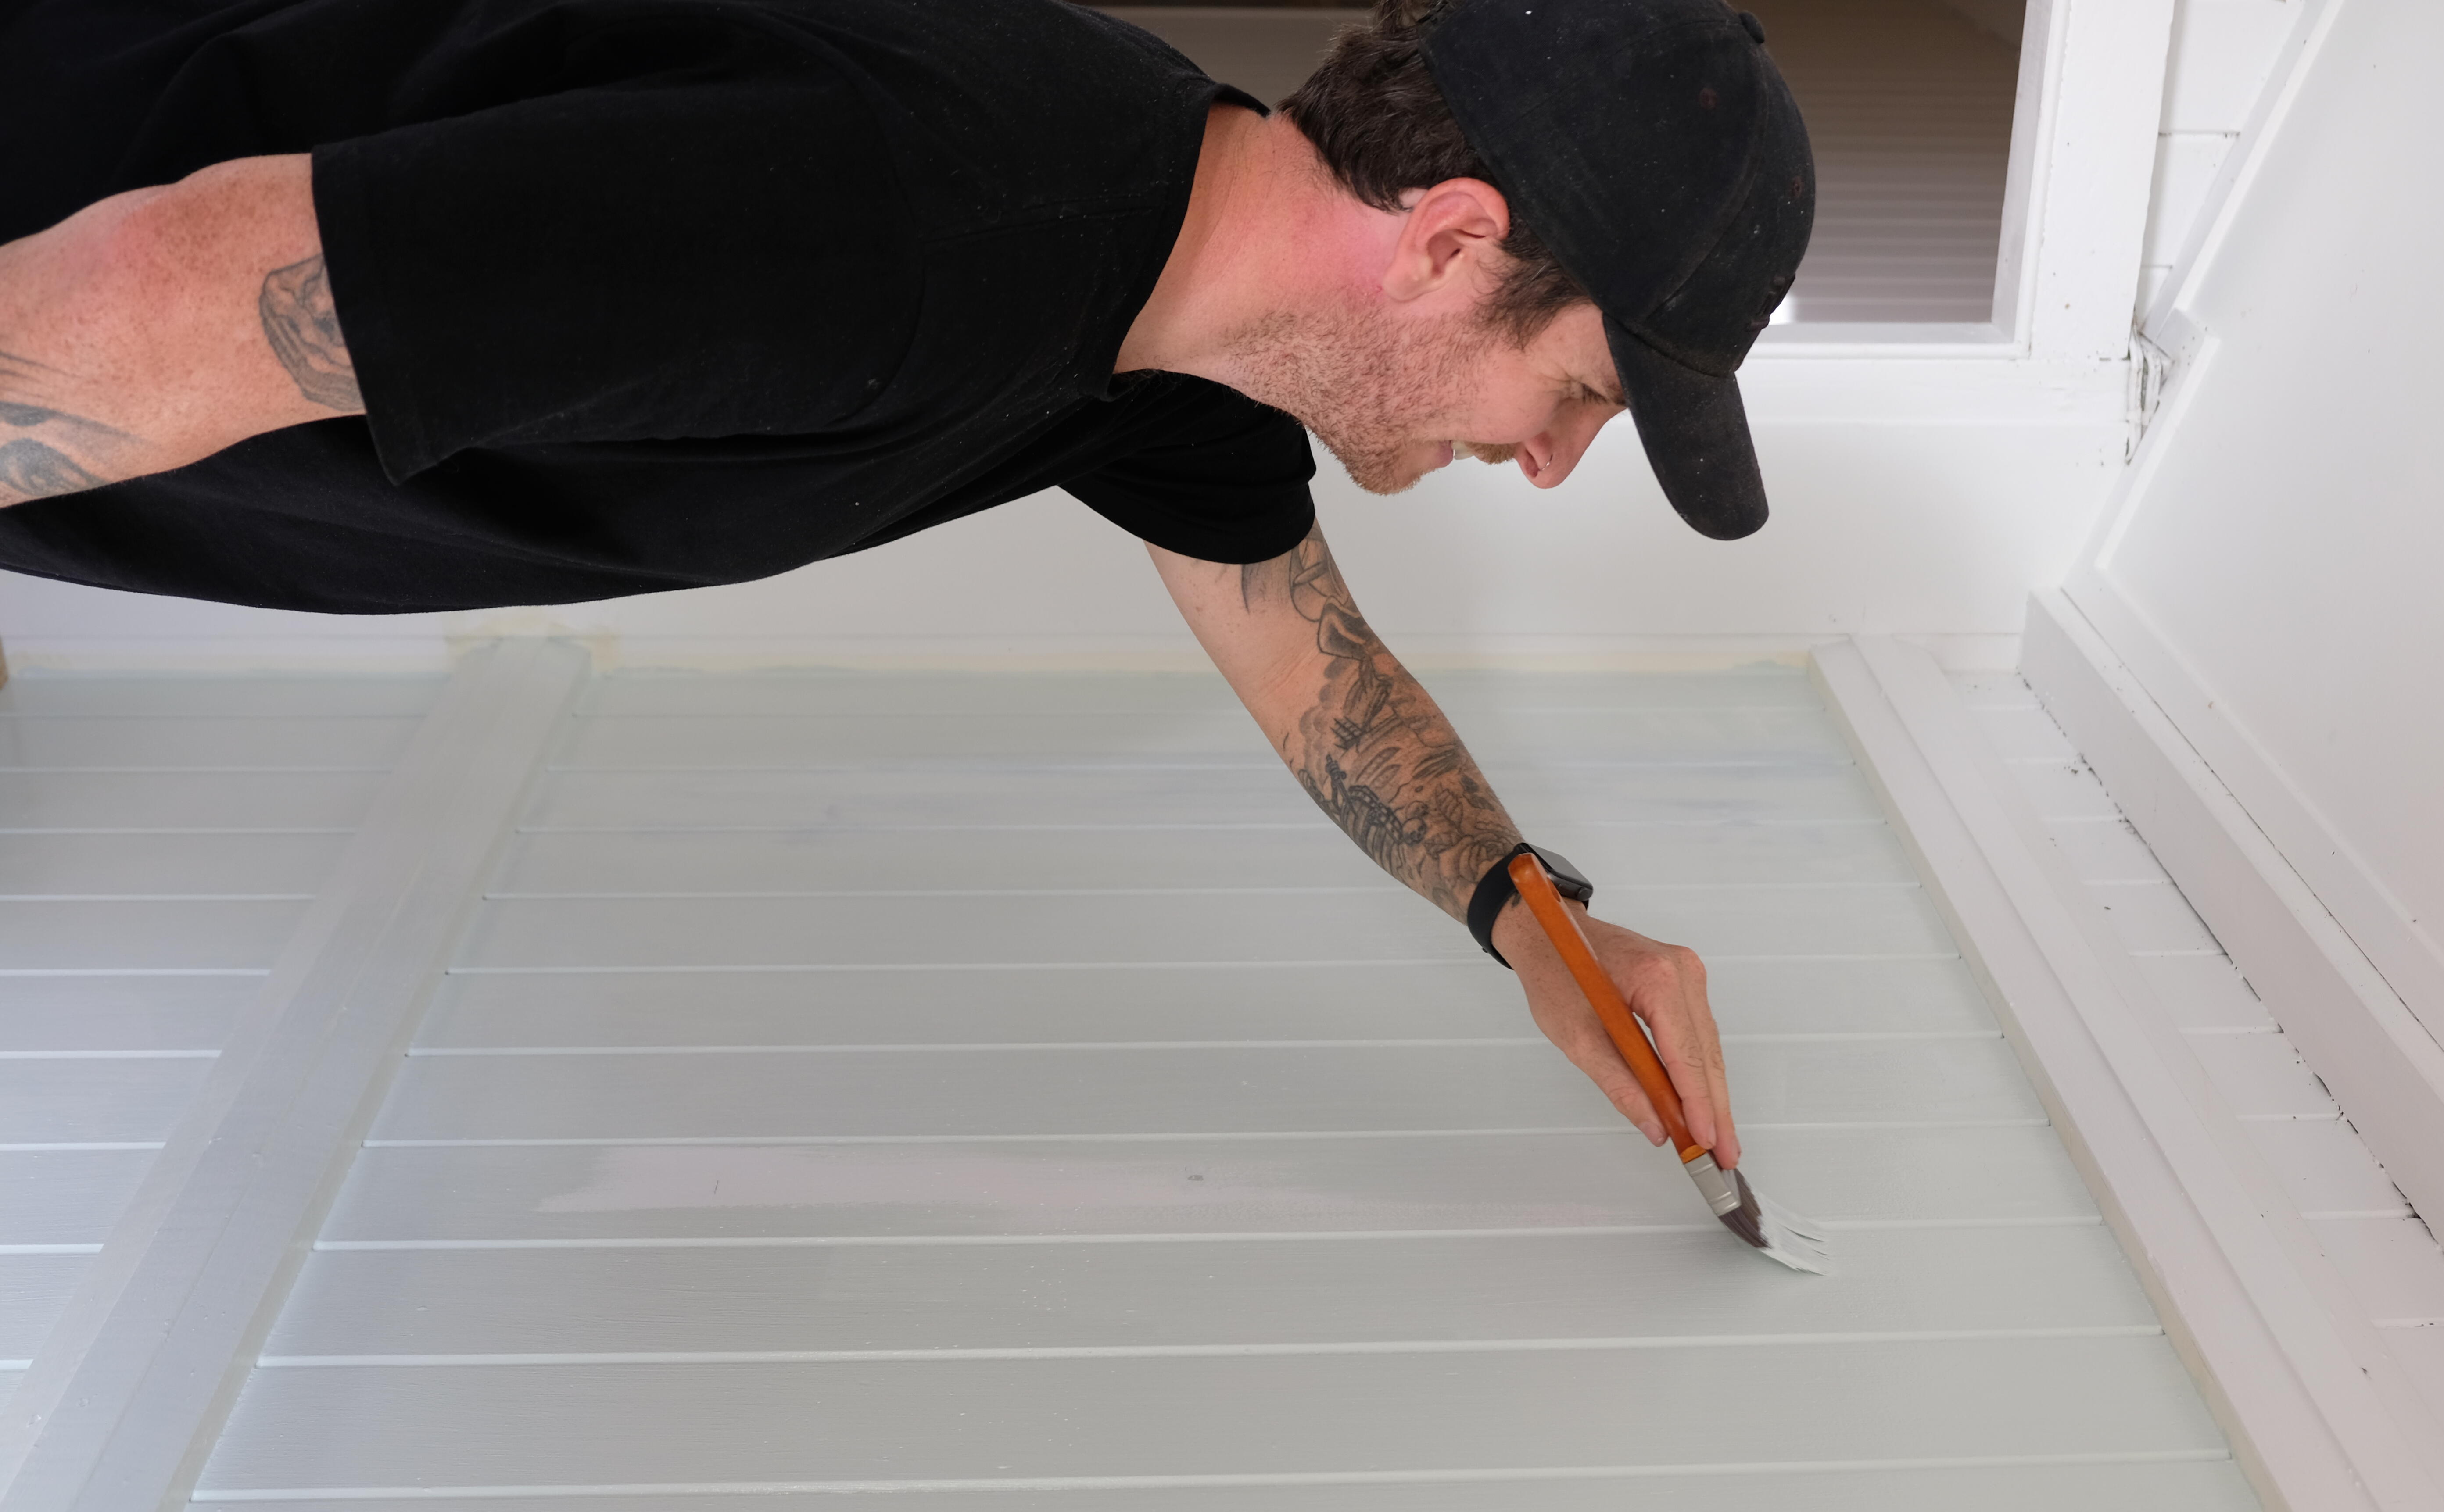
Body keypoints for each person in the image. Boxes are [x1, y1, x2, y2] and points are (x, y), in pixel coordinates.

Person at [0, 0, 1813, 1173]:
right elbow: (170, 287)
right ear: (1449, 244)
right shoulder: (914, 223)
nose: (1558, 456)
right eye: (1577, 390)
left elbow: (1304, 646)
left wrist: (1536, 925)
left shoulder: (1161, 309)